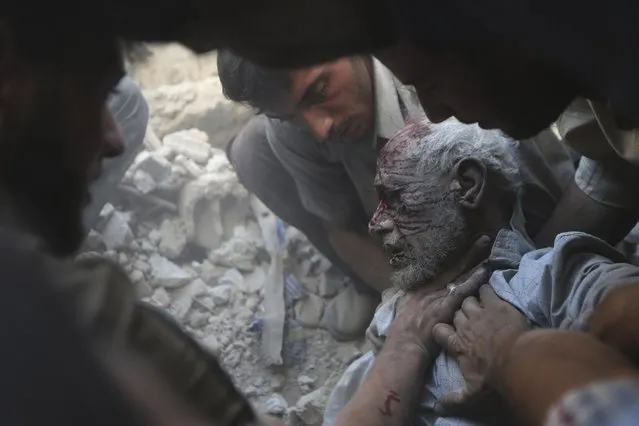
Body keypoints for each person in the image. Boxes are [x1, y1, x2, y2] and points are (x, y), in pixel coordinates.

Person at [218, 50, 577, 340]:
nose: (320, 128)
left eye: (320, 91)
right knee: (251, 150)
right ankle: (382, 289)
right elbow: (340, 227)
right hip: (416, 253)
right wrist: (416, 306)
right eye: (290, 116)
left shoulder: (434, 82)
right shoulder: (292, 131)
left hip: (513, 224)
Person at [323, 118, 639, 426]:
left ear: (468, 184)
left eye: (394, 198)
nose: (375, 223)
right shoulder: (398, 316)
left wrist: (518, 366)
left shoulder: (550, 277)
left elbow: (612, 298)